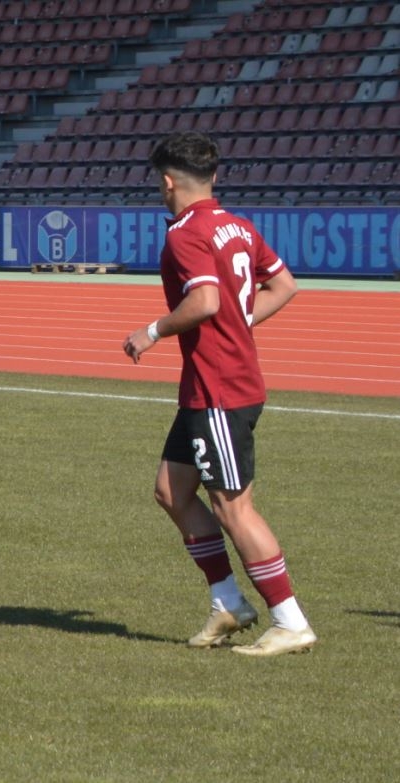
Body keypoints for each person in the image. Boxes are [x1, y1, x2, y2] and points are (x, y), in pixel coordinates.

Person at [121, 131, 311, 656]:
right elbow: (285, 286)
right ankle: (228, 603)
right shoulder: (237, 225)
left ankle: (290, 620)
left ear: (166, 181)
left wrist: (152, 331)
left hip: (221, 389)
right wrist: (239, 322)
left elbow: (203, 300)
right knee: (171, 491)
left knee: (232, 506)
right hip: (209, 386)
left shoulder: (186, 234)